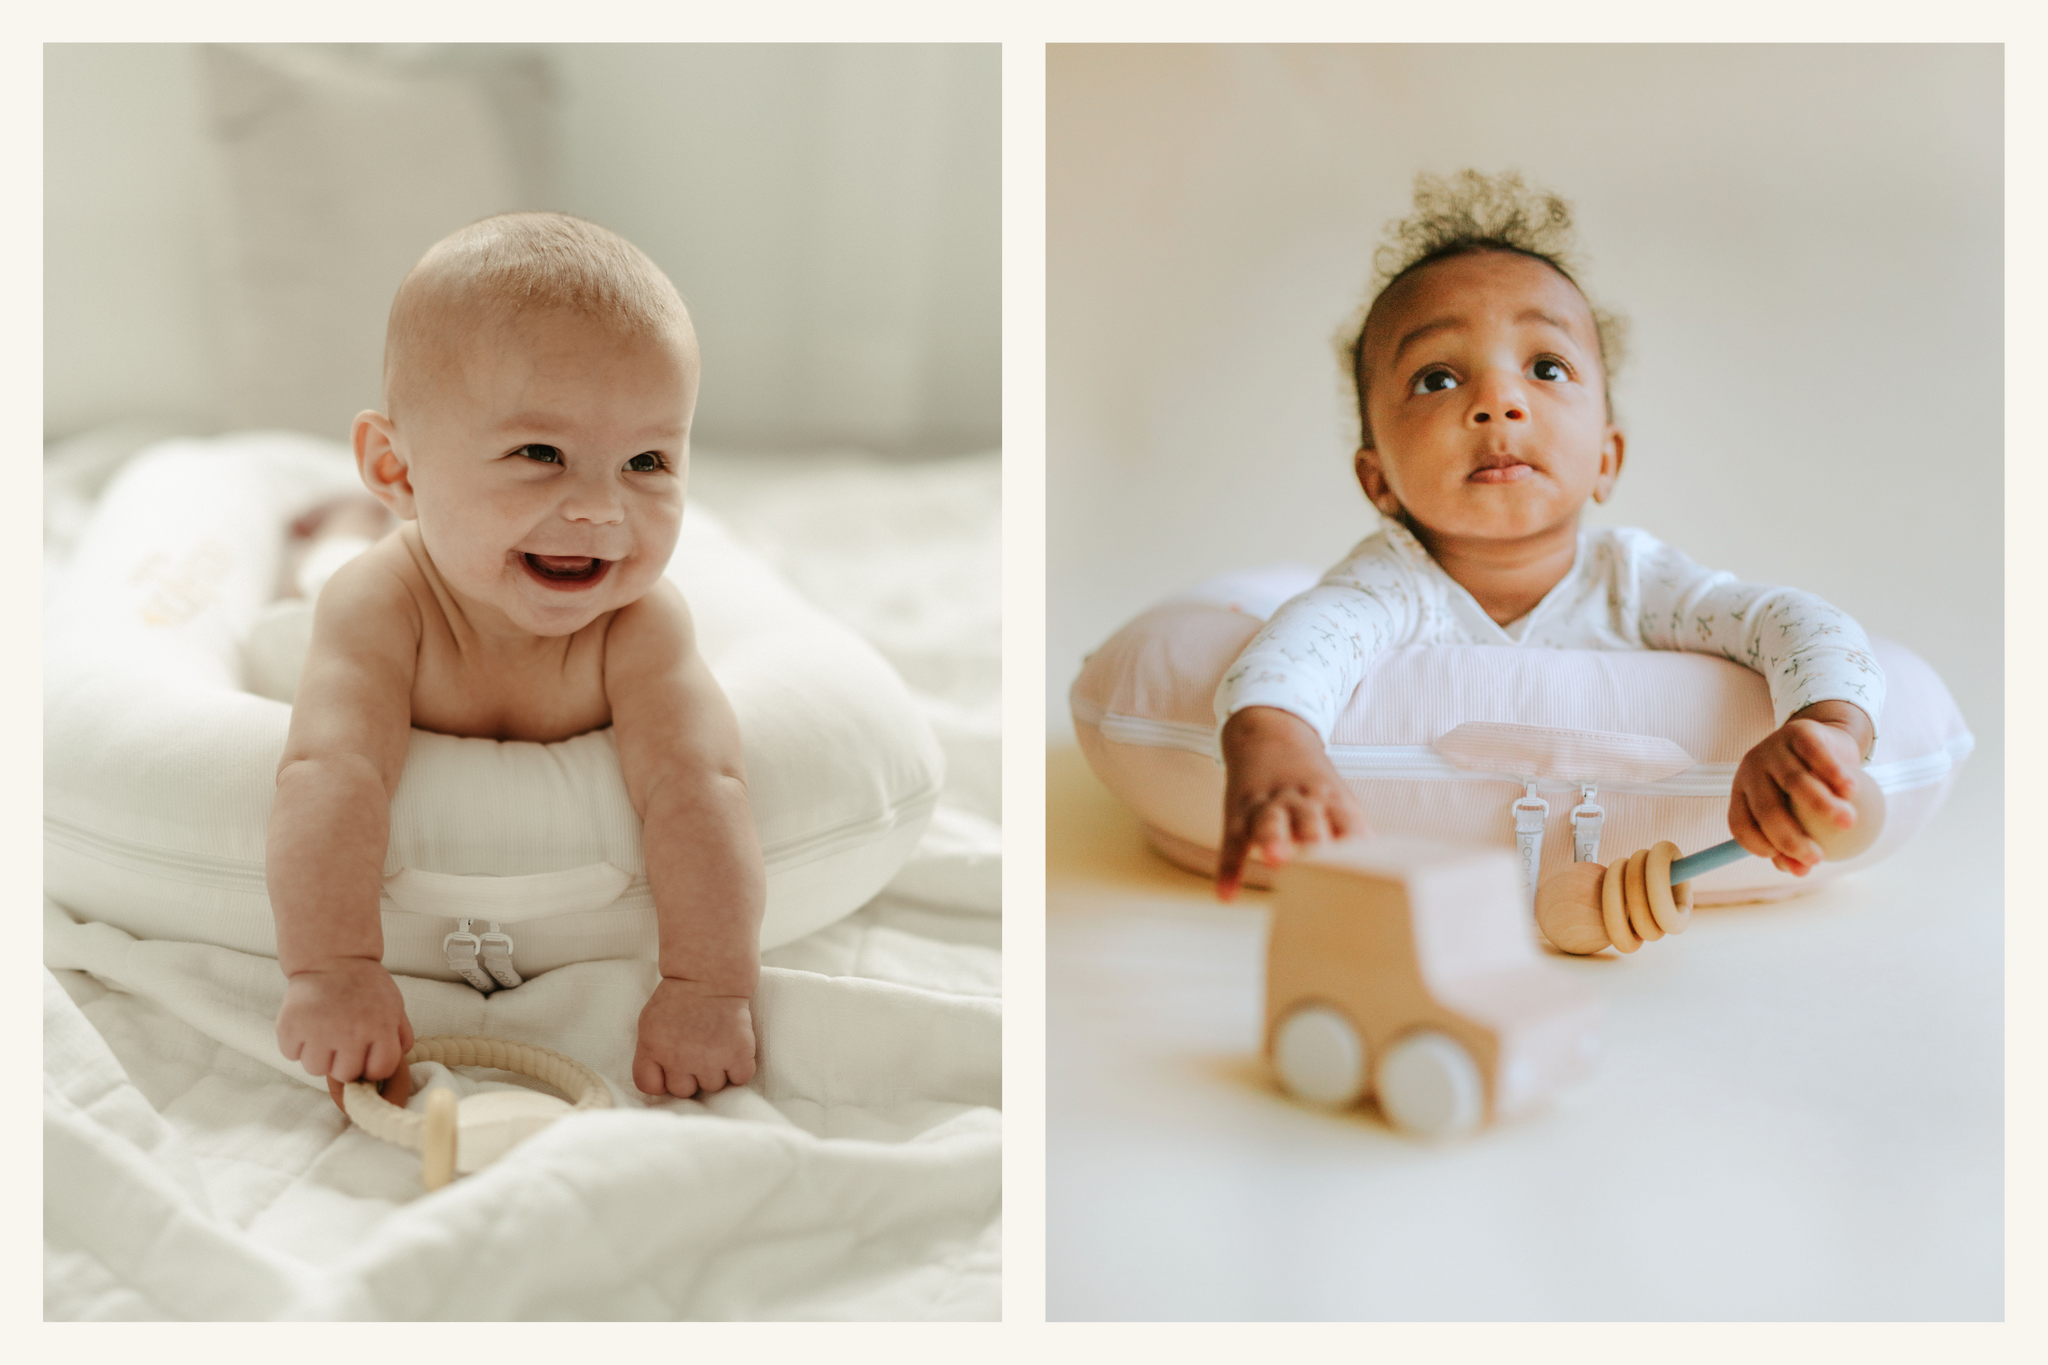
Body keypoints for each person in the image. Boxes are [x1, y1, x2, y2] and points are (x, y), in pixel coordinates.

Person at [1213, 171, 1884, 899]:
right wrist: (1272, 744)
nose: (1497, 400)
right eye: (1437, 378)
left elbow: (1793, 623)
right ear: (1379, 481)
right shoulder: (1390, 583)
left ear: (1606, 457)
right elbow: (1298, 646)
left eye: (1546, 366)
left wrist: (1828, 729)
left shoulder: (1635, 582)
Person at [269, 212, 763, 1101]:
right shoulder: (380, 607)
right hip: (354, 578)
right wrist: (331, 969)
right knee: (311, 577)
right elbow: (327, 770)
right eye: (541, 454)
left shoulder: (640, 625)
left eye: (648, 460)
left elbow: (701, 787)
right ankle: (344, 516)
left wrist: (708, 986)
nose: (600, 510)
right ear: (401, 468)